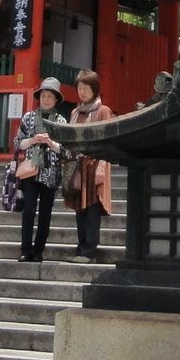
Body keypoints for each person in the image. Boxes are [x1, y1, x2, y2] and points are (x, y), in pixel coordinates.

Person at [12, 76, 68, 262]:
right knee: (28, 211)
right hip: (31, 171)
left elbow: (66, 149)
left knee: (45, 213)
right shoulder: (28, 118)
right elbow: (17, 143)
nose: (46, 99)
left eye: (50, 96)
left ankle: (38, 251)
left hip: (51, 172)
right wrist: (33, 140)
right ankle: (25, 249)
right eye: (44, 95)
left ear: (56, 100)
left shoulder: (61, 121)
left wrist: (50, 143)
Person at [61, 69, 114, 262]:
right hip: (77, 165)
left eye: (86, 88)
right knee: (79, 208)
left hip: (94, 164)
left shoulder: (103, 111)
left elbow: (108, 142)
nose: (82, 92)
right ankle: (81, 246)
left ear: (95, 89)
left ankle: (89, 249)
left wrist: (101, 167)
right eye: (80, 88)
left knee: (92, 208)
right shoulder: (75, 112)